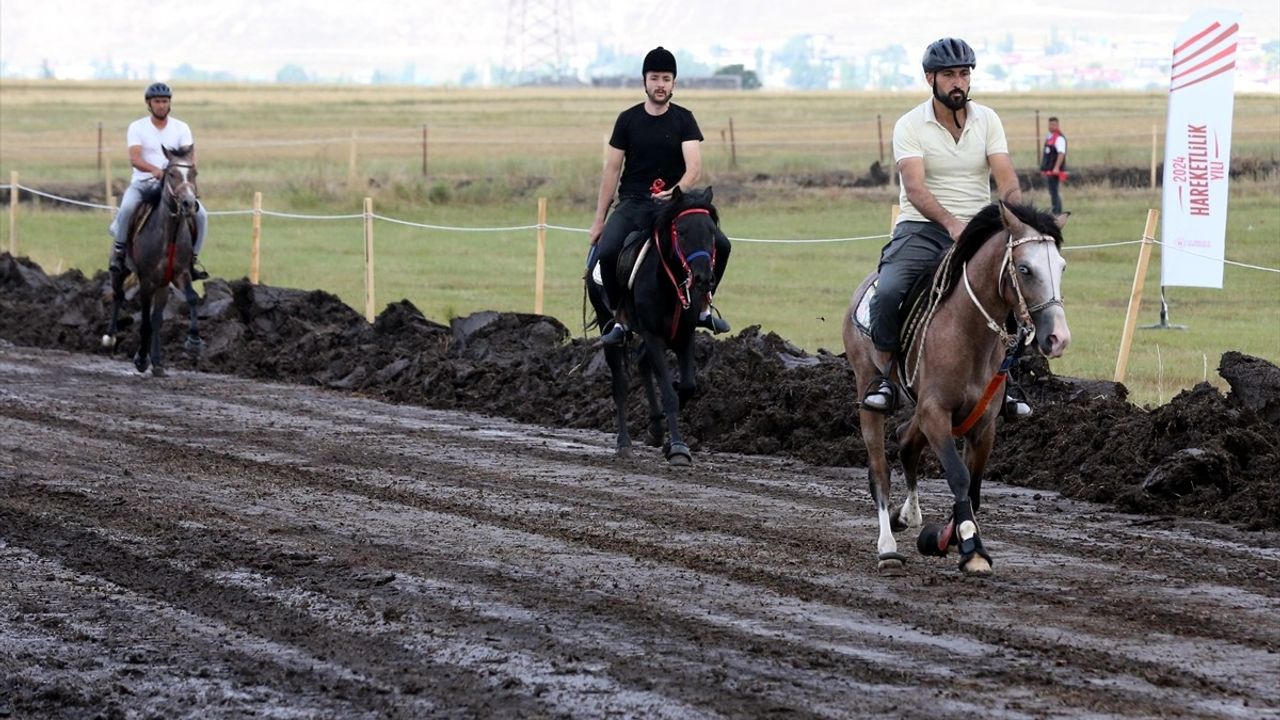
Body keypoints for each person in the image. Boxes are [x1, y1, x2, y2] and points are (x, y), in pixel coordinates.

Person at [864, 37, 1031, 418]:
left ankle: (1009, 380)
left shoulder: (988, 119)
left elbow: (1005, 177)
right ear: (931, 79)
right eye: (949, 75)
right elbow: (916, 187)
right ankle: (885, 377)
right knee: (888, 292)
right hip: (922, 227)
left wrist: (1016, 219)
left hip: (979, 228)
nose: (958, 82)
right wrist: (952, 224)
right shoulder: (910, 125)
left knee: (1020, 289)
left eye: (964, 73)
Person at [589, 46, 731, 345]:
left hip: (675, 205)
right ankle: (621, 318)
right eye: (655, 78)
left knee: (722, 244)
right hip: (633, 202)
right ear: (645, 81)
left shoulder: (684, 120)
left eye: (666, 78)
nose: (660, 84)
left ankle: (703, 306)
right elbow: (612, 170)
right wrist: (599, 220)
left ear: (674, 83)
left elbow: (694, 167)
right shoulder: (627, 120)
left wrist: (674, 192)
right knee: (608, 251)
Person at [108, 82, 209, 280]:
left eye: (165, 101)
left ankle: (192, 260)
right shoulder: (137, 127)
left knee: (202, 215)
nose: (161, 105)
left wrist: (183, 178)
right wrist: (155, 170)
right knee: (128, 207)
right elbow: (135, 158)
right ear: (149, 103)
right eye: (157, 101)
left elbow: (190, 157)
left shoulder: (181, 128)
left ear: (170, 103)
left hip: (174, 186)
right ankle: (119, 253)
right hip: (143, 182)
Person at [1041, 116, 1068, 214]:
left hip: (1055, 171)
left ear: (1057, 125)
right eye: (1050, 124)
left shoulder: (1059, 138)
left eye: (1053, 124)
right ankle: (1056, 210)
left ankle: (1057, 211)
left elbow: (1061, 154)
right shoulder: (1050, 137)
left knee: (1054, 191)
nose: (1051, 126)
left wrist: (1056, 167)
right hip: (1049, 170)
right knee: (1052, 191)